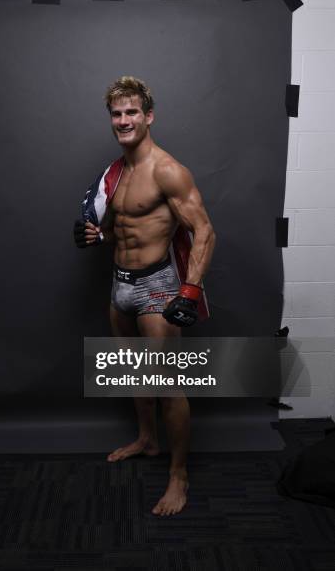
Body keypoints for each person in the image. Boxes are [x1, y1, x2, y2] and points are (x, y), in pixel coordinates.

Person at [75, 76, 216, 515]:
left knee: (168, 386)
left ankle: (179, 476)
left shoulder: (167, 169)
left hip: (158, 289)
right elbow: (122, 228)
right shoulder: (116, 173)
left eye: (132, 112)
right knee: (133, 372)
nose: (124, 120)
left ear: (148, 116)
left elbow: (204, 231)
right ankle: (147, 439)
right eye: (117, 114)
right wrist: (96, 234)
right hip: (119, 285)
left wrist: (189, 292)